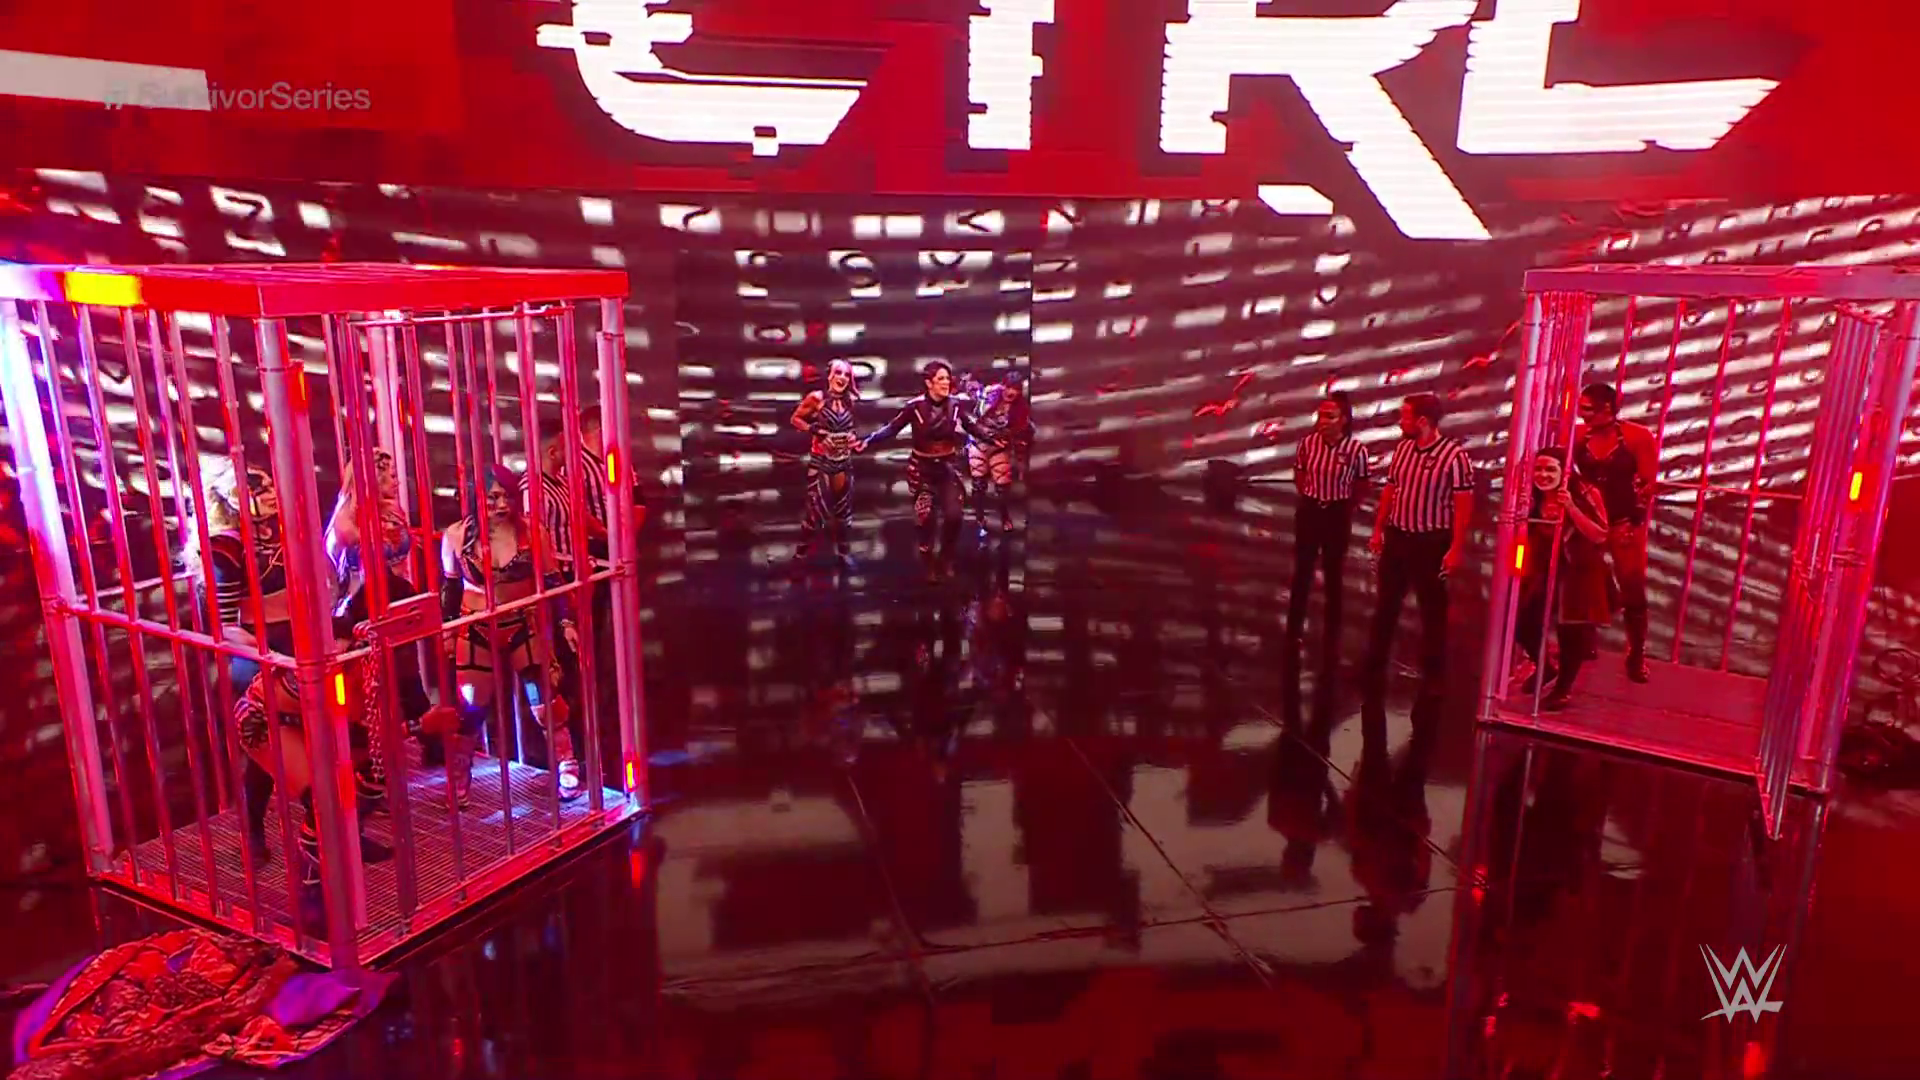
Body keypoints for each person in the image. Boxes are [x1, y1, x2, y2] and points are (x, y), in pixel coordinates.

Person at [441, 465, 580, 805]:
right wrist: (447, 632)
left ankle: (567, 763)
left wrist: (566, 623)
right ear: (477, 498)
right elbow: (451, 590)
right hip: (475, 628)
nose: (502, 505)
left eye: (507, 497)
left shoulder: (532, 533)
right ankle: (459, 774)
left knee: (545, 700)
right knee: (470, 707)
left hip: (522, 623)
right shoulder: (456, 536)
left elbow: (553, 582)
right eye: (493, 498)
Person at [1363, 393, 1474, 694]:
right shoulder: (1403, 450)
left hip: (1431, 541)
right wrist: (1379, 528)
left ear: (1422, 421)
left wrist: (1456, 547)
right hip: (1399, 536)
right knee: (1386, 604)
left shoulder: (1454, 457)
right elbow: (1391, 490)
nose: (1401, 423)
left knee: (1432, 610)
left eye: (1405, 417)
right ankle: (1373, 667)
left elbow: (1463, 506)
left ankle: (1434, 675)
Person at [857, 360, 992, 579]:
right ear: (929, 383)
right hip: (923, 469)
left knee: (954, 516)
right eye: (941, 379)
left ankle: (946, 557)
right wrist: (868, 441)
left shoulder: (956, 405)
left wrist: (992, 439)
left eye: (947, 378)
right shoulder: (915, 407)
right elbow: (892, 428)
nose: (946, 383)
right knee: (926, 517)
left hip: (947, 468)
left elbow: (972, 427)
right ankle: (927, 557)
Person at [1513, 448, 1613, 710]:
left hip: (1578, 570)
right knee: (1522, 623)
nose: (1543, 475)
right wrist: (1524, 513)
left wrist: (1571, 508)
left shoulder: (1585, 493)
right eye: (1538, 469)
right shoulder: (1533, 496)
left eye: (1550, 469)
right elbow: (1523, 536)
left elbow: (1600, 534)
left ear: (1564, 472)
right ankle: (1544, 666)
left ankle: (1563, 689)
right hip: (1545, 568)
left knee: (1570, 630)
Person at [1572, 384, 1657, 682]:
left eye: (1587, 409)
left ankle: (1637, 653)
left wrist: (1635, 522)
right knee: (1583, 581)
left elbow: (1647, 484)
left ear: (1606, 408)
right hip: (1589, 520)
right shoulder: (1579, 436)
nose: (1582, 415)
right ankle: (1587, 640)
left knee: (1633, 586)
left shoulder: (1637, 437)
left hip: (1623, 521)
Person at [1286, 390, 1369, 656]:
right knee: (1302, 570)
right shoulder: (1308, 444)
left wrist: (1345, 506)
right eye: (1321, 415)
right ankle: (1293, 630)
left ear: (1343, 419)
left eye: (1330, 416)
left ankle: (1332, 634)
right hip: (1311, 511)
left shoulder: (1356, 450)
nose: (1323, 421)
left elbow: (1362, 484)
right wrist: (1311, 496)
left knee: (1333, 573)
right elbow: (1300, 474)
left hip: (1336, 513)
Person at [789, 358, 861, 566]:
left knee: (843, 513)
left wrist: (852, 438)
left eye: (846, 374)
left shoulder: (850, 401)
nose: (842, 378)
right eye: (838, 373)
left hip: (843, 462)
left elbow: (851, 428)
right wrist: (815, 431)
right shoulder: (816, 398)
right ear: (829, 375)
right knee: (815, 513)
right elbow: (795, 419)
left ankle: (843, 554)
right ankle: (800, 557)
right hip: (821, 461)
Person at [967, 370, 1034, 535]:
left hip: (999, 445)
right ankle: (979, 517)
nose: (1011, 392)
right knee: (978, 484)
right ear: (1003, 386)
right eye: (1009, 387)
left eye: (1015, 389)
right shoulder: (989, 394)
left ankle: (1005, 516)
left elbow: (1021, 429)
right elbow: (976, 416)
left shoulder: (1021, 408)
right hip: (979, 442)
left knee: (1003, 487)